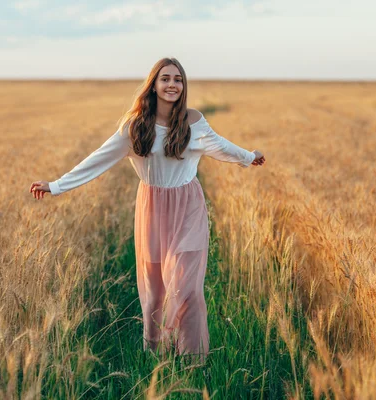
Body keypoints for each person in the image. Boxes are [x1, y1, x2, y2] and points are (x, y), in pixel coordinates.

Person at [29, 57, 266, 363]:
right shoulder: (135, 126)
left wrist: (249, 156)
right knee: (155, 291)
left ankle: (193, 362)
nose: (172, 85)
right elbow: (98, 159)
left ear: (184, 86)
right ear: (153, 84)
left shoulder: (194, 121)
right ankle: (157, 358)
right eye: (165, 78)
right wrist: (56, 184)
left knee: (187, 288)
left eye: (178, 79)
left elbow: (221, 146)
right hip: (152, 210)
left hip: (188, 207)